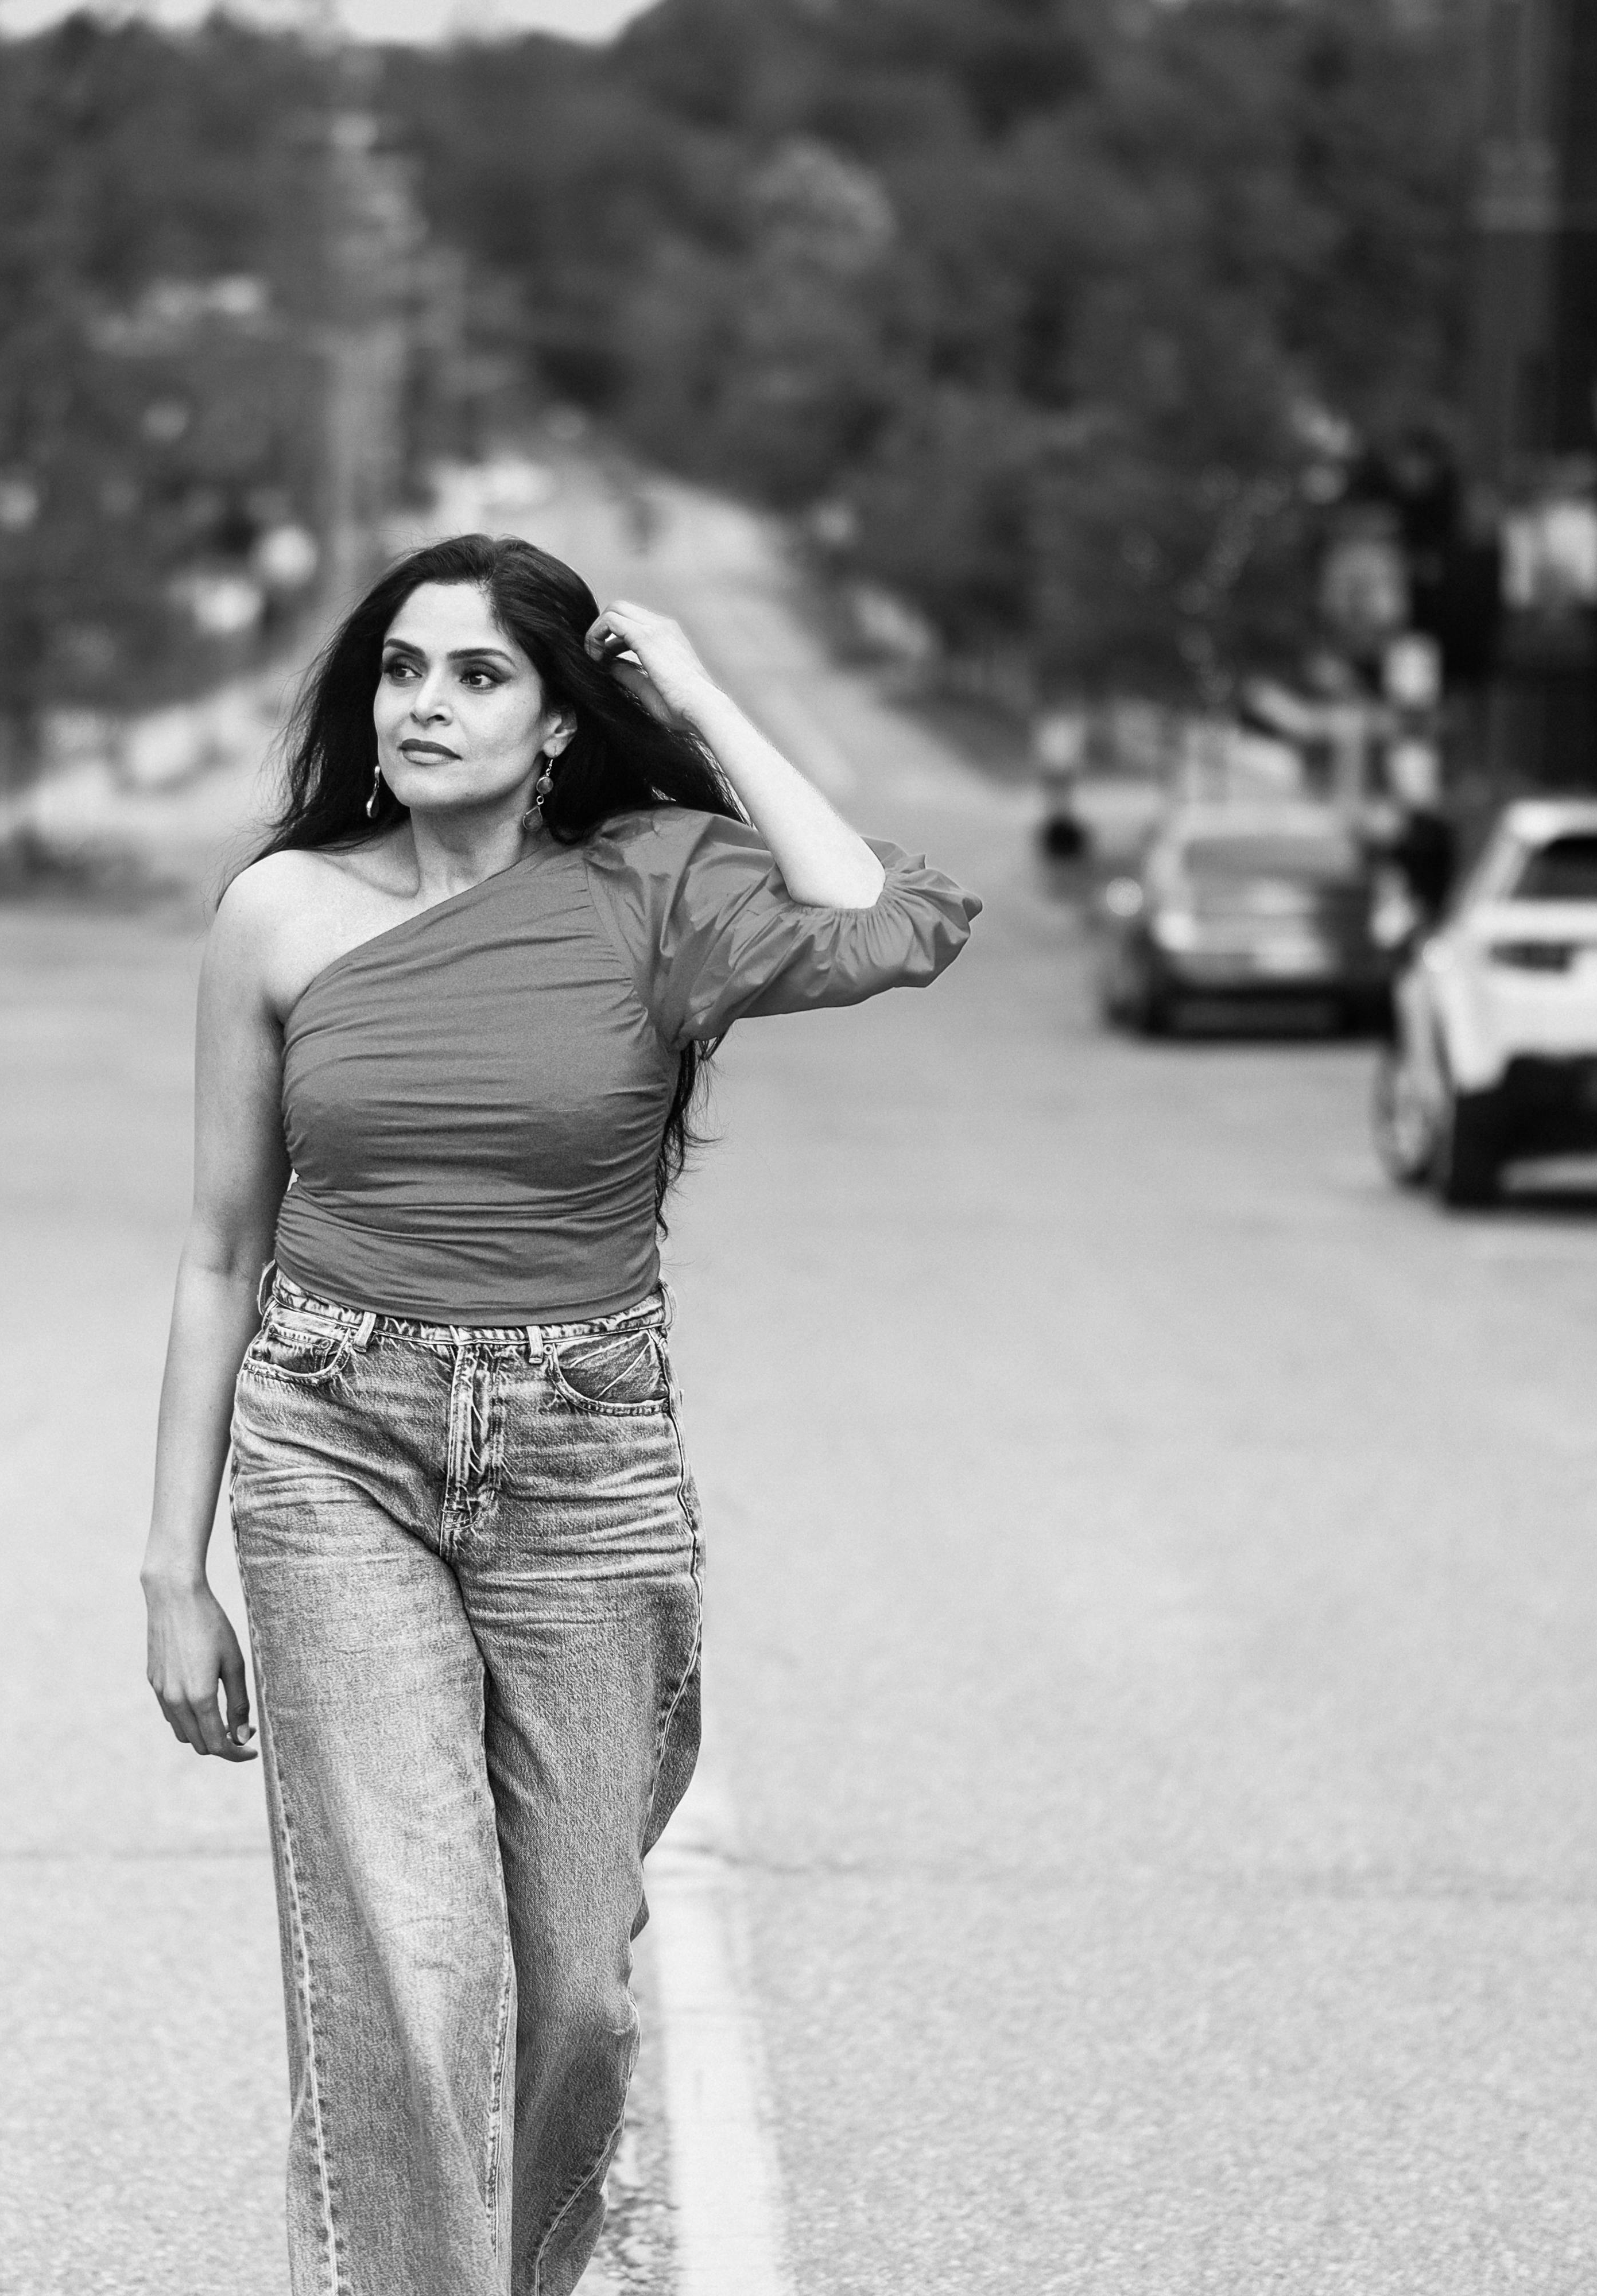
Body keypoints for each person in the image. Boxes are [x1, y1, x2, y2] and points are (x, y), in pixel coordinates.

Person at [139, 532, 975, 2295]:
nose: (428, 703)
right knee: (416, 1977)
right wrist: (169, 1568)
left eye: (479, 674)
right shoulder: (279, 914)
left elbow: (878, 920)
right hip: (332, 1438)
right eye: (402, 670)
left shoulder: (654, 888)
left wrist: (695, 690)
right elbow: (219, 1250)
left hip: (581, 1455)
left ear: (558, 721)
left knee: (575, 1994)